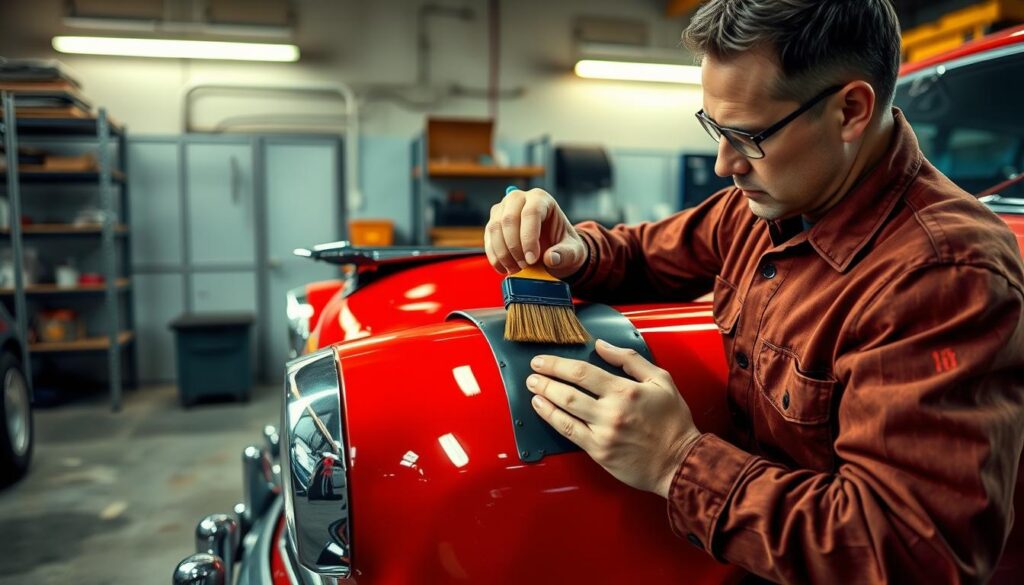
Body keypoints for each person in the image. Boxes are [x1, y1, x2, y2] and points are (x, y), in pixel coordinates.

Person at [484, 0, 1024, 582]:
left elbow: (912, 555)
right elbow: (645, 252)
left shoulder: (942, 275)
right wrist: (574, 247)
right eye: (715, 128)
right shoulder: (774, 202)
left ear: (850, 111)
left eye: (746, 135)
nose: (723, 164)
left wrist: (677, 461)